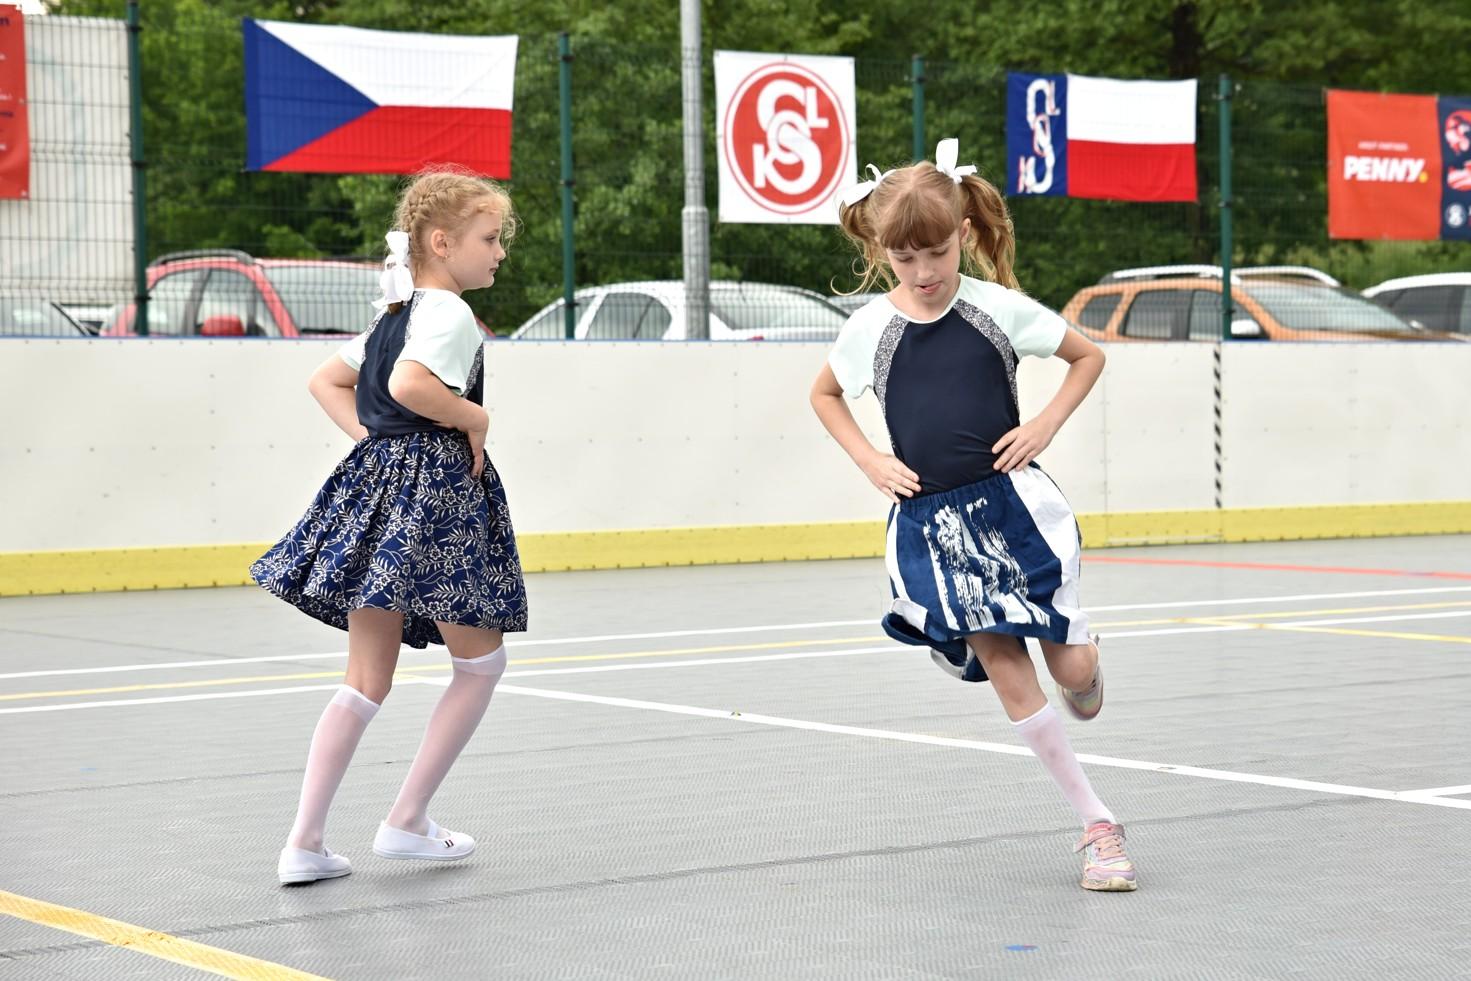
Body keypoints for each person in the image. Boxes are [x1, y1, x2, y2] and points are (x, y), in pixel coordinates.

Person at [809, 140, 1135, 892]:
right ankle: (1097, 824)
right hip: (934, 527)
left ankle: (1083, 658)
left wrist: (1044, 423)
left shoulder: (996, 309)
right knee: (1003, 663)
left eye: (936, 253)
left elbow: (1088, 356)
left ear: (962, 234)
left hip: (1016, 512)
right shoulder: (867, 330)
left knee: (1070, 671)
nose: (923, 272)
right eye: (905, 258)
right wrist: (869, 460)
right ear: (881, 251)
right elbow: (823, 394)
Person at [251, 170, 528, 885]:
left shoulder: (392, 317)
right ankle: (406, 819)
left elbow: (325, 380)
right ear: (441, 242)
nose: (499, 252)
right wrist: (474, 416)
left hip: (377, 495)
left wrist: (376, 443)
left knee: (366, 677)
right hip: (436, 500)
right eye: (489, 238)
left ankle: (304, 841)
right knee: (481, 663)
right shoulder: (449, 313)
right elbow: (410, 385)